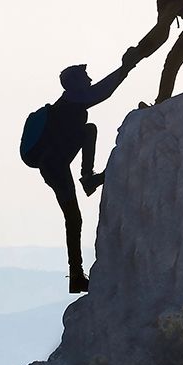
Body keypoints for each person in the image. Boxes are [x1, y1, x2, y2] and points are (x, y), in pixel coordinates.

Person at [28, 47, 138, 293]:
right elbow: (102, 91)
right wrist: (126, 68)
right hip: (54, 166)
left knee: (89, 129)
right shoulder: (71, 100)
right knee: (74, 218)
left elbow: (97, 91)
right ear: (75, 83)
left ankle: (87, 178)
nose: (89, 80)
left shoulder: (70, 102)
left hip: (57, 161)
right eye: (85, 78)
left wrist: (126, 68)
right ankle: (76, 275)